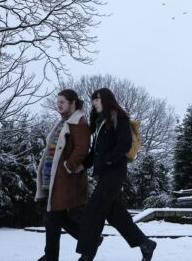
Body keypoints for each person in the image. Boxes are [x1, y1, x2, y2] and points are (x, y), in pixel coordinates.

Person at [76, 88, 157, 261]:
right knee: (115, 214)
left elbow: (125, 143)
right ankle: (145, 244)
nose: (94, 103)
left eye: (96, 100)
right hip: (105, 174)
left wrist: (109, 160)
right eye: (93, 101)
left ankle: (86, 256)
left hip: (115, 171)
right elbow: (94, 153)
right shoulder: (100, 123)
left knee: (94, 210)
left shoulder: (118, 116)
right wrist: (82, 166)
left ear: (106, 99)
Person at [35, 89, 93, 261]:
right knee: (55, 217)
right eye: (58, 101)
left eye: (62, 102)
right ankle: (91, 239)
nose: (58, 104)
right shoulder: (63, 122)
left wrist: (68, 166)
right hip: (51, 178)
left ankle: (50, 256)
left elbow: (82, 148)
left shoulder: (79, 122)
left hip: (63, 180)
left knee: (52, 216)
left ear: (73, 102)